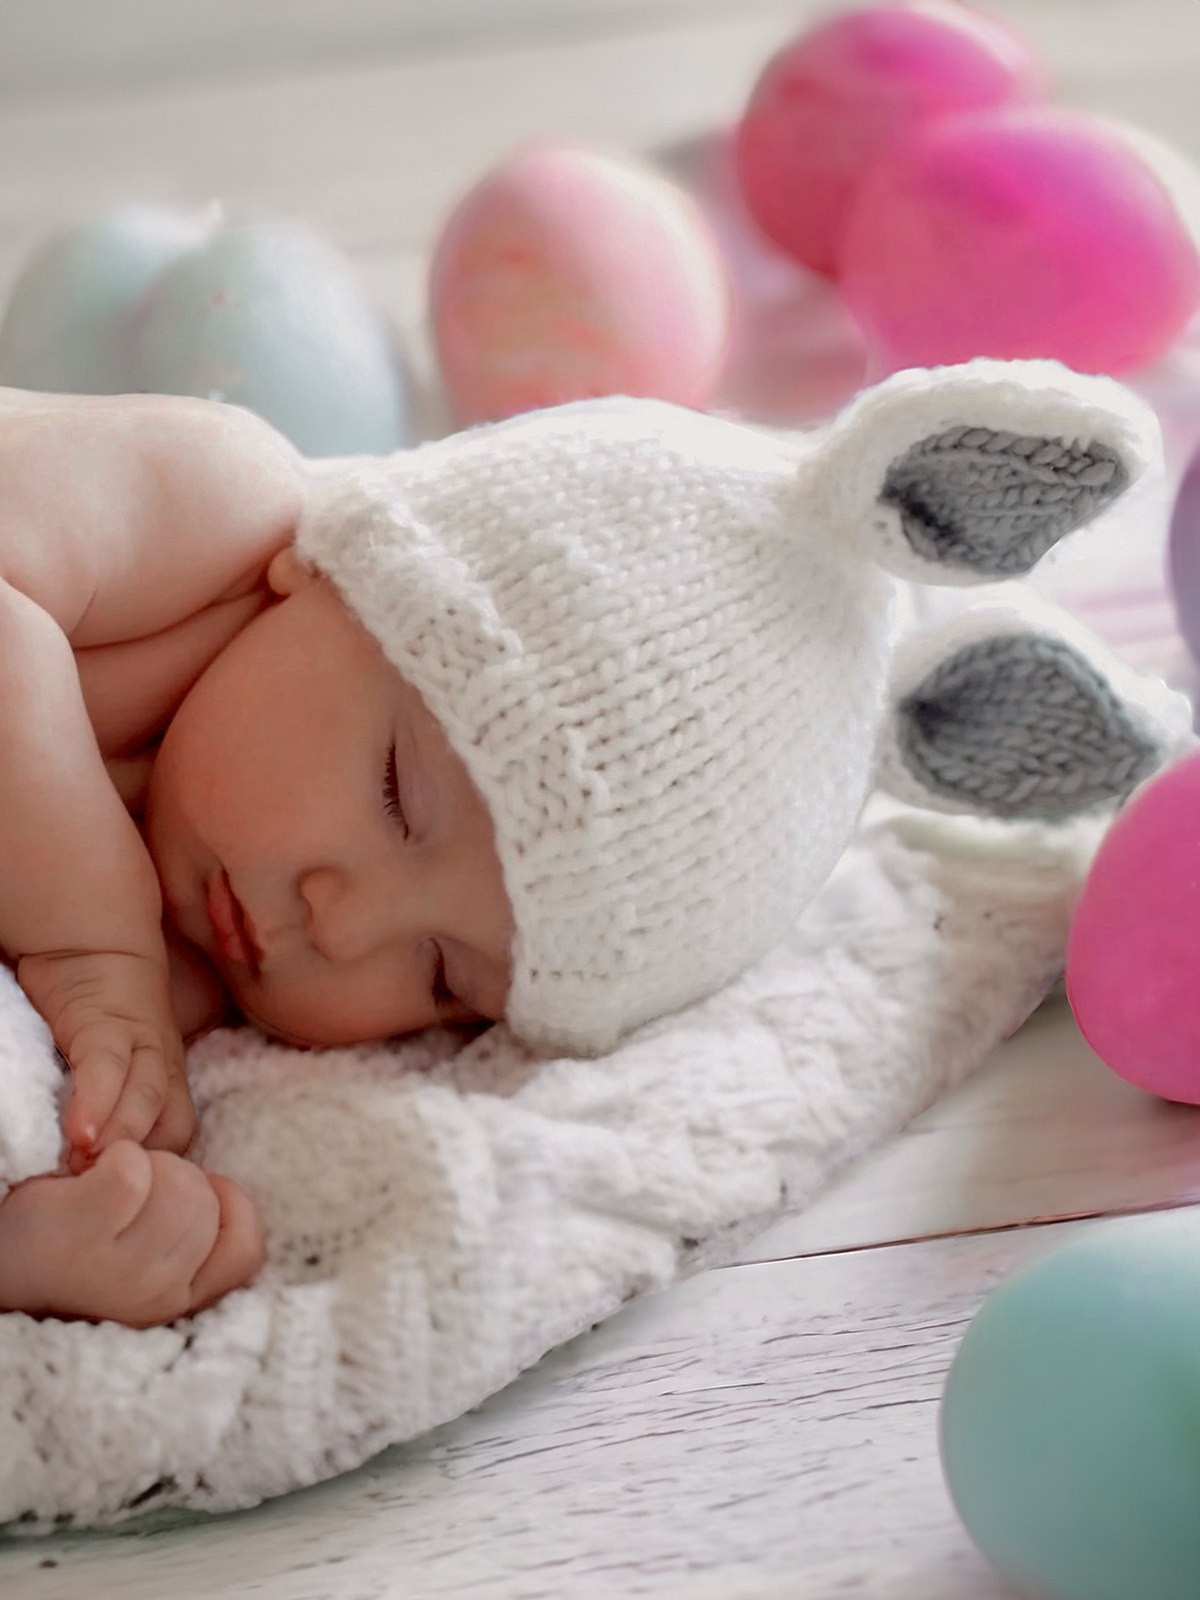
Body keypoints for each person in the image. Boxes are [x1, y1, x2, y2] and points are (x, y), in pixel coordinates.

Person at [0, 359, 1184, 1328]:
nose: (339, 919)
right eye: (397, 794)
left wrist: (91, 1224)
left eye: (440, 977)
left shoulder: (197, 979)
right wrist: (88, 943)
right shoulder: (215, 501)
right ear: (333, 574)